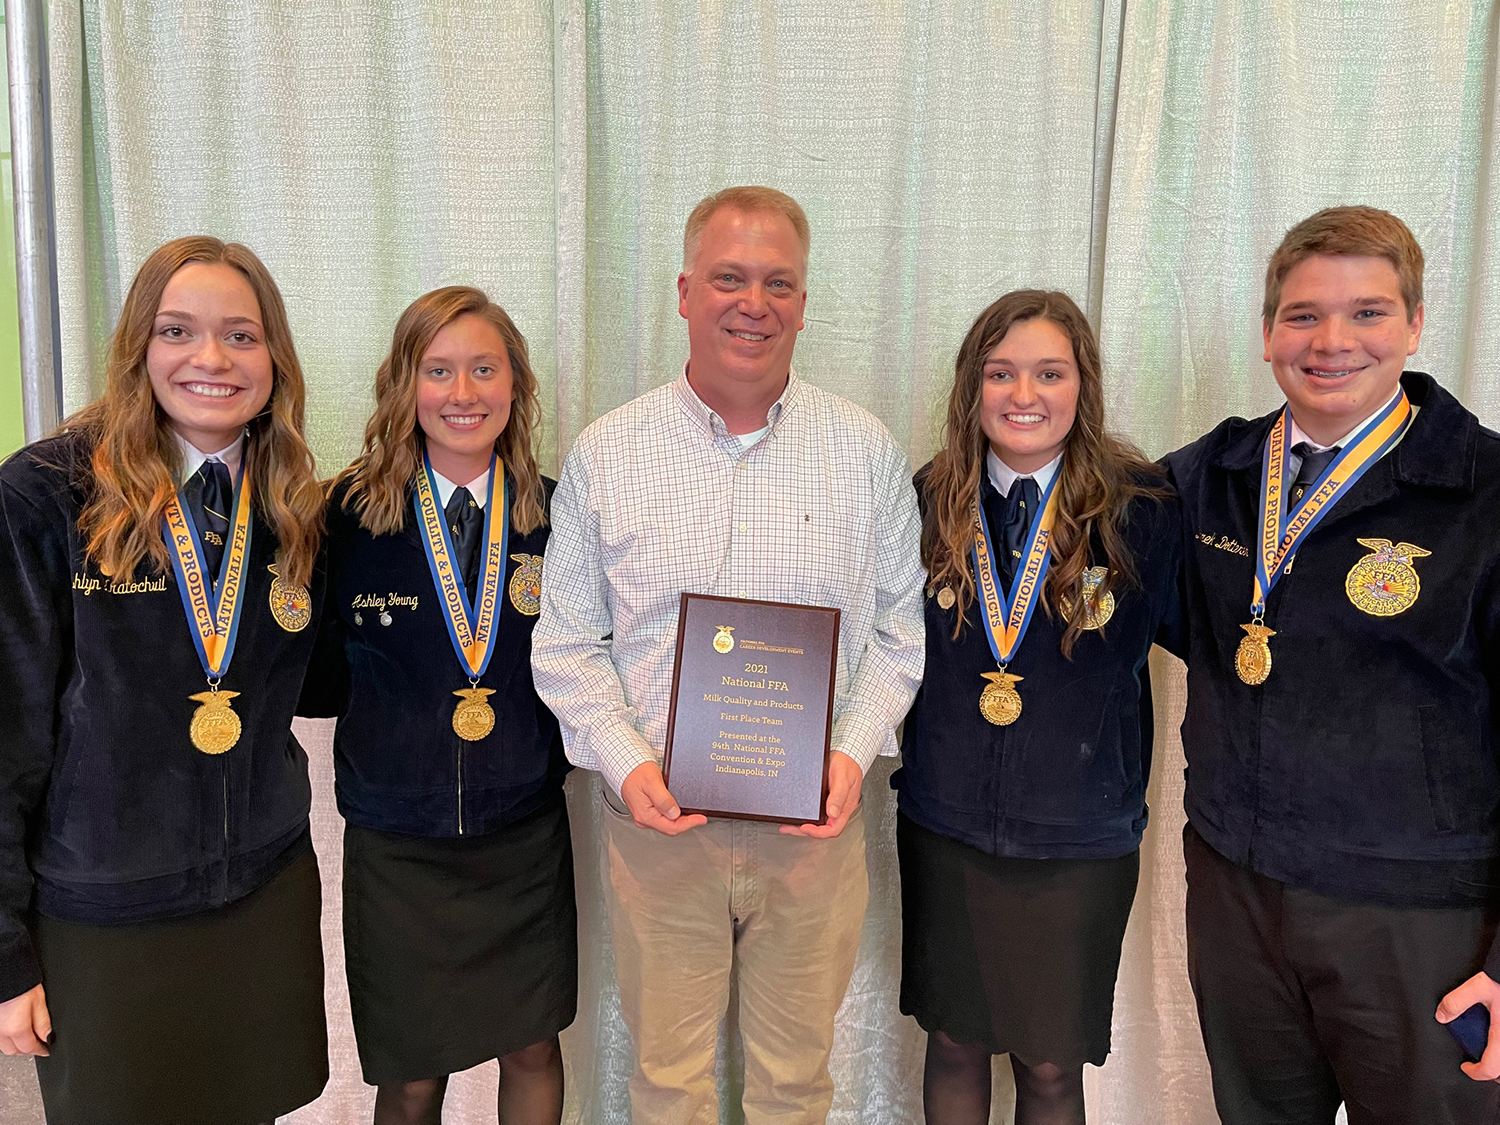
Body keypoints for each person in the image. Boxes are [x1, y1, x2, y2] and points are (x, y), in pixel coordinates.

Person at [531, 185, 926, 1124]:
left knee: (797, 1084)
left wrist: (849, 753)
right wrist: (628, 766)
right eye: (729, 279)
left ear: (804, 301)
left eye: (778, 283)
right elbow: (567, 642)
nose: (755, 303)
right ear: (683, 292)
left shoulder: (865, 452)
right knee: (668, 1084)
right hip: (660, 832)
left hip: (813, 835)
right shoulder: (608, 453)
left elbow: (898, 632)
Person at [1163, 205, 1500, 1124]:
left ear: (1416, 325)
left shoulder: (1485, 491)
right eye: (1304, 314)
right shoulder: (1211, 476)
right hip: (1238, 896)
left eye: (1368, 313)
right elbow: (1073, 542)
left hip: (1420, 920)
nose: (1332, 341)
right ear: (1269, 330)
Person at [0, 236, 328, 1124]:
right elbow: (7, 737)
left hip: (262, 894)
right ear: (138, 344)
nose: (211, 358)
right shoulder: (45, 496)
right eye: (178, 330)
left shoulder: (291, 501)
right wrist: (5, 955)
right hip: (105, 912)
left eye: (241, 335)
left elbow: (324, 678)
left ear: (274, 358)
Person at [895, 290, 1179, 1125]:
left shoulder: (1142, 510)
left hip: (1078, 841)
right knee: (953, 1042)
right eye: (1001, 373)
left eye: (1049, 373)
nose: (1024, 394)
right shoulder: (927, 500)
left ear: (1083, 384)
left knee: (1051, 1067)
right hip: (948, 826)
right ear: (972, 387)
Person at [302, 286, 575, 1125]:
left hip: (521, 833)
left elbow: (589, 660)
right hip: (398, 844)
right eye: (439, 369)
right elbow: (317, 679)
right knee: (413, 1075)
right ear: (403, 384)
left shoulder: (557, 513)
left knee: (532, 1049)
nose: (463, 392)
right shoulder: (343, 516)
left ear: (516, 384)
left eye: (484, 369)